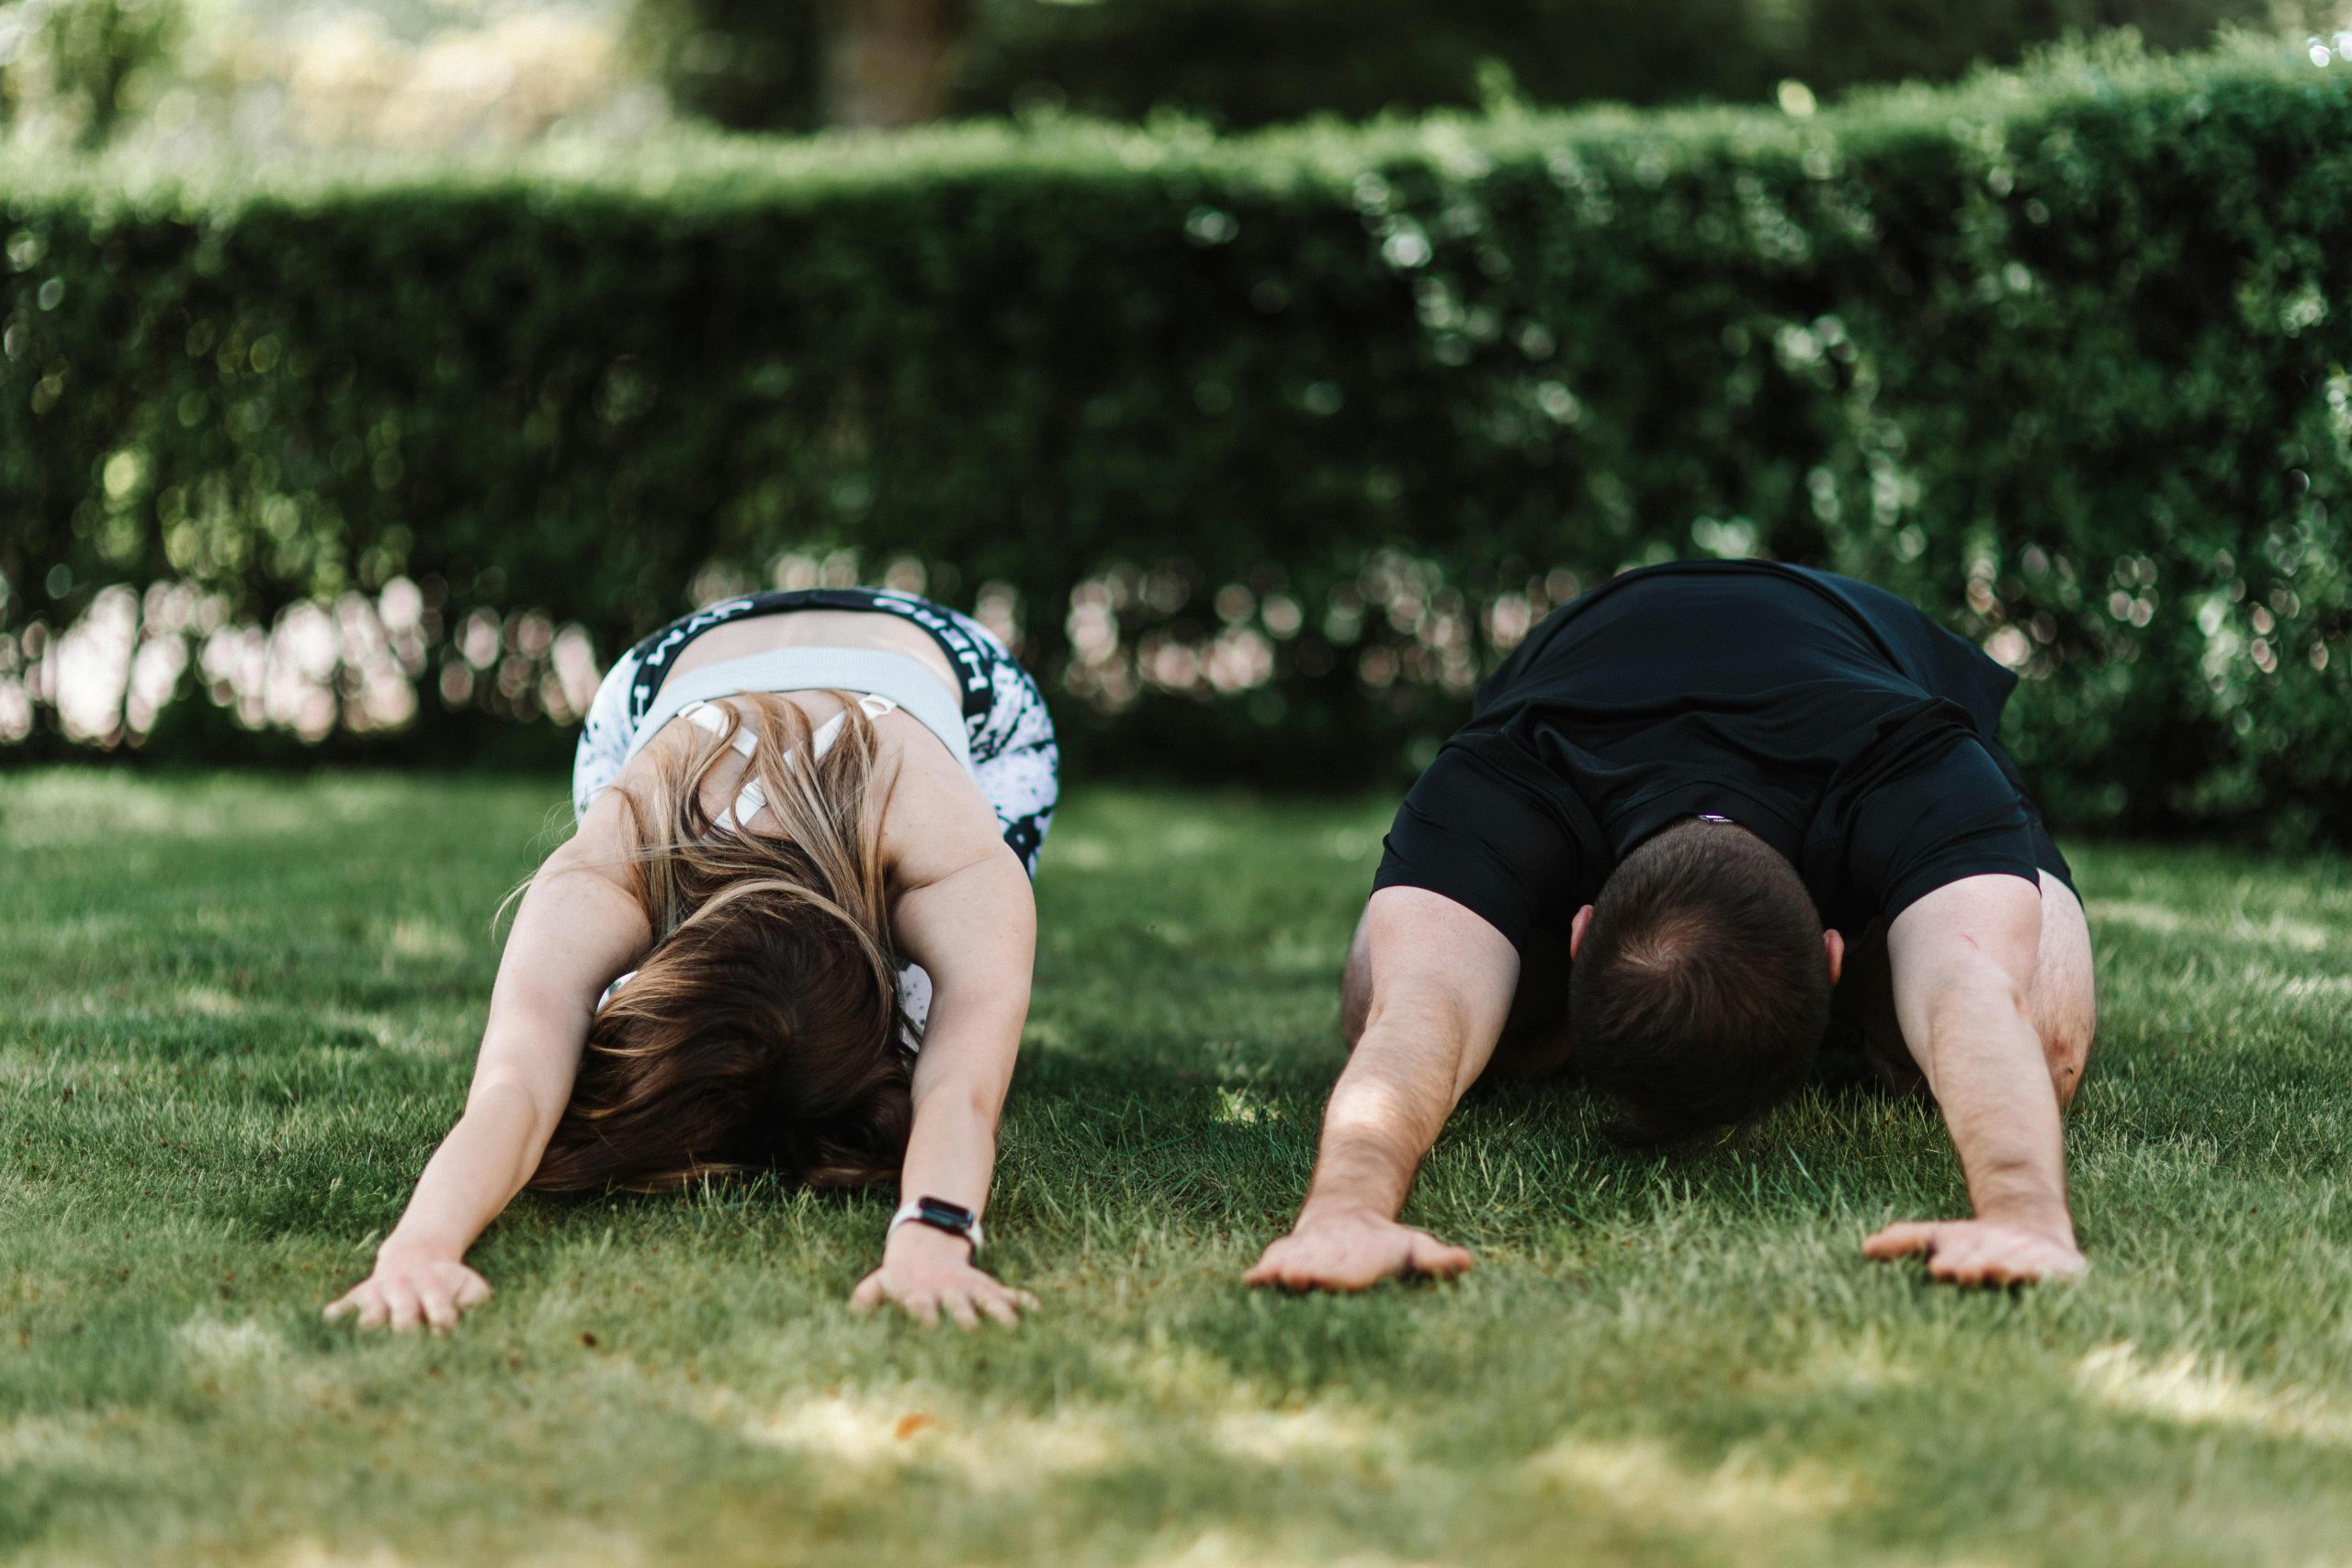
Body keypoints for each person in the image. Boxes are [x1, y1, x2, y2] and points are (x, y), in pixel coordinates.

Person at [1246, 559, 2096, 1292]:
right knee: (1378, 994)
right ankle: (1841, 1002)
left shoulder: (1915, 761)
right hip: (1585, 656)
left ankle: (1871, 986)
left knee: (2043, 1030)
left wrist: (2026, 1213)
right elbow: (1418, 1002)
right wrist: (1343, 1214)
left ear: (1581, 931)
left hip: (1863, 652)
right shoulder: (1508, 770)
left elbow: (1973, 989)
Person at [328, 586, 1058, 1332]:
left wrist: (933, 1240)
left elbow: (962, 1089)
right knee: (605, 1016)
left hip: (953, 684)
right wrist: (421, 1245)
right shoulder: (618, 856)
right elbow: (516, 1081)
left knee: (937, 1009)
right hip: (667, 677)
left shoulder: (949, 849)